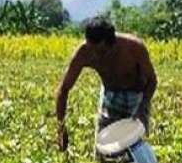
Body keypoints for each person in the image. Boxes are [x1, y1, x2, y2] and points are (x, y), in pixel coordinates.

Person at [55, 17, 157, 153]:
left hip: (136, 97)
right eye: (93, 50)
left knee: (134, 150)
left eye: (101, 51)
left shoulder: (134, 48)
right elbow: (64, 89)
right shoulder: (84, 53)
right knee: (103, 151)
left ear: (112, 43)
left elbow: (152, 80)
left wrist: (142, 108)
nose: (96, 56)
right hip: (110, 95)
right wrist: (61, 127)